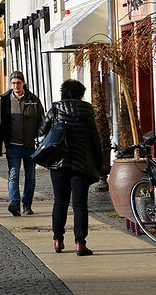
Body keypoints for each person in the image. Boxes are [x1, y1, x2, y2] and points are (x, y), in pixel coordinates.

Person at [40, 78, 107, 256]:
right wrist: (99, 164)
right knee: (79, 204)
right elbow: (95, 139)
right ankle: (80, 243)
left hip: (58, 164)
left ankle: (57, 239)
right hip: (81, 164)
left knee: (60, 202)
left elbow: (41, 132)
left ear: (63, 93)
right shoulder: (86, 110)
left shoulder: (55, 109)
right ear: (80, 95)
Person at [0, 70, 45, 217]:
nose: (16, 85)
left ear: (23, 83)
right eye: (13, 83)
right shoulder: (5, 100)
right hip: (12, 145)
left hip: (30, 145)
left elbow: (42, 122)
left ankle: (27, 205)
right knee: (13, 174)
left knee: (30, 176)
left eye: (18, 83)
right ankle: (15, 203)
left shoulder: (33, 99)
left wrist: (39, 141)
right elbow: (0, 124)